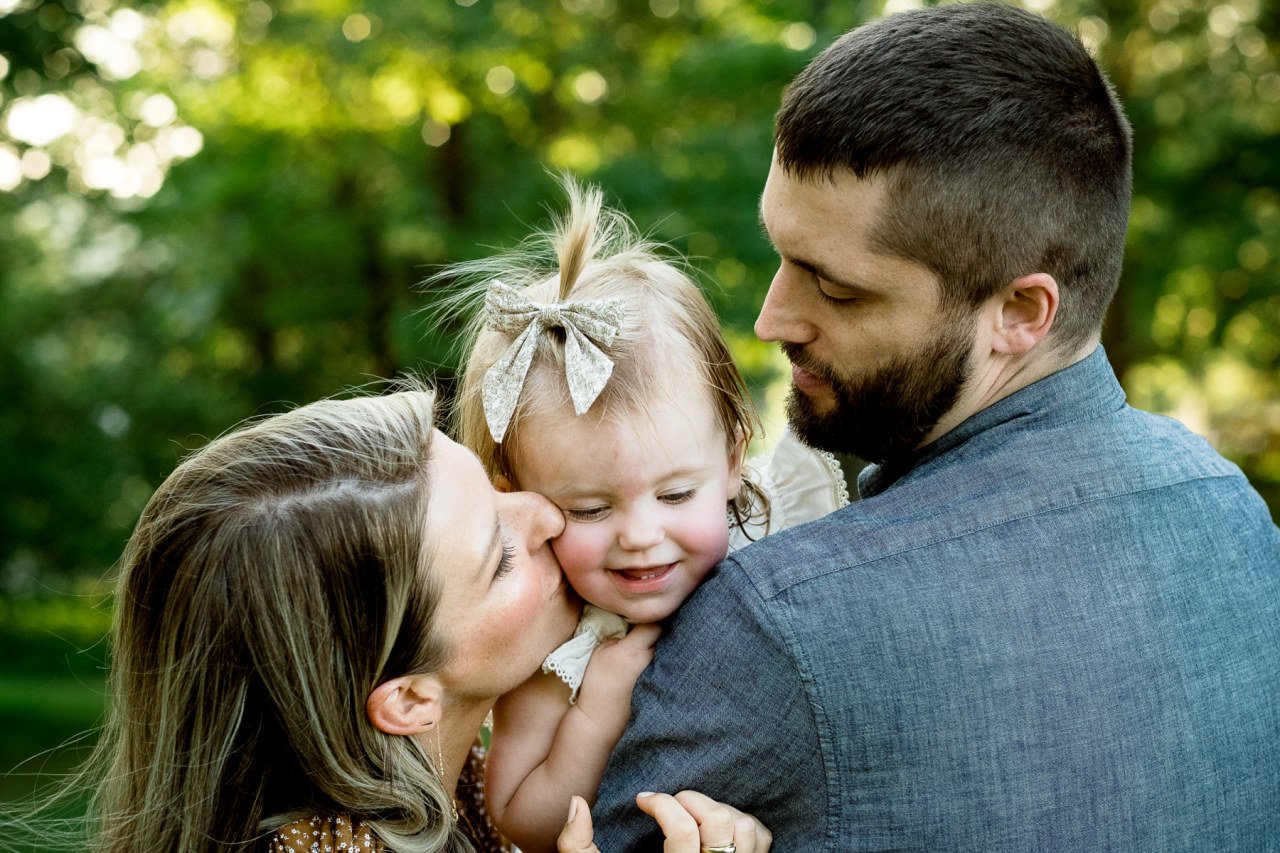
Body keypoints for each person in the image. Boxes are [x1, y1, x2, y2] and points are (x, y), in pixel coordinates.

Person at [592, 3, 1280, 850]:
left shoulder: (779, 626)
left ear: (1020, 311)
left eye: (836, 288)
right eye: (781, 255)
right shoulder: (1233, 513)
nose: (774, 318)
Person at [12, 387, 770, 853]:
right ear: (408, 698)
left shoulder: (457, 786)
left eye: (495, 486)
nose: (543, 513)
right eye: (498, 557)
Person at [439, 178, 845, 852]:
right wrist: (597, 708)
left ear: (732, 462)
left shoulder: (782, 545)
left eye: (678, 494)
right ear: (522, 501)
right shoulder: (560, 639)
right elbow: (518, 813)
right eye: (591, 507)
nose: (640, 535)